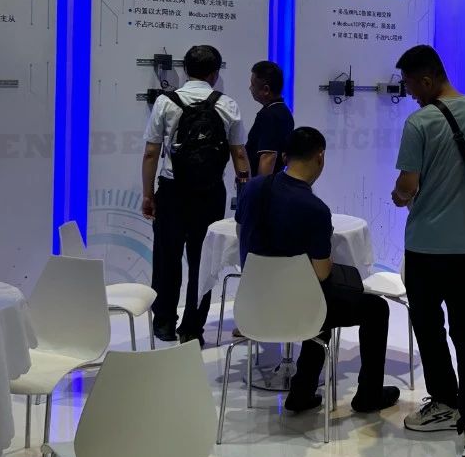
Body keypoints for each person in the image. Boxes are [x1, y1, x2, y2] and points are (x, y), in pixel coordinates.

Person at [391, 45, 465, 457]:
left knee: (428, 327)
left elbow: (407, 185)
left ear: (426, 79)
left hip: (425, 245)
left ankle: (444, 401)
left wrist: (399, 196)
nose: (409, 94)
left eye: (410, 85)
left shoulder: (420, 122)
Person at [237, 127, 400, 414]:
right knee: (373, 307)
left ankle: (302, 391)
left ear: (285, 156)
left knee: (322, 295)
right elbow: (322, 272)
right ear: (320, 157)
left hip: (252, 306)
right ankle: (368, 395)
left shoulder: (253, 188)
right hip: (301, 308)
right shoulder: (314, 209)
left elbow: (241, 233)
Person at [141, 45, 249, 345]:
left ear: (185, 70)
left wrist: (148, 194)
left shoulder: (166, 102)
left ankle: (164, 323)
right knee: (203, 261)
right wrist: (245, 193)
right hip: (210, 193)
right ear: (215, 73)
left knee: (167, 258)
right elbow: (240, 154)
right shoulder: (227, 104)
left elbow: (151, 152)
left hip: (172, 190)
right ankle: (192, 329)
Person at [245, 60, 294, 179]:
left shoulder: (269, 115)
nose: (250, 88)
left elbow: (268, 157)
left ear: (266, 90)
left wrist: (258, 187)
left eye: (253, 84)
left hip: (264, 184)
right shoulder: (284, 112)